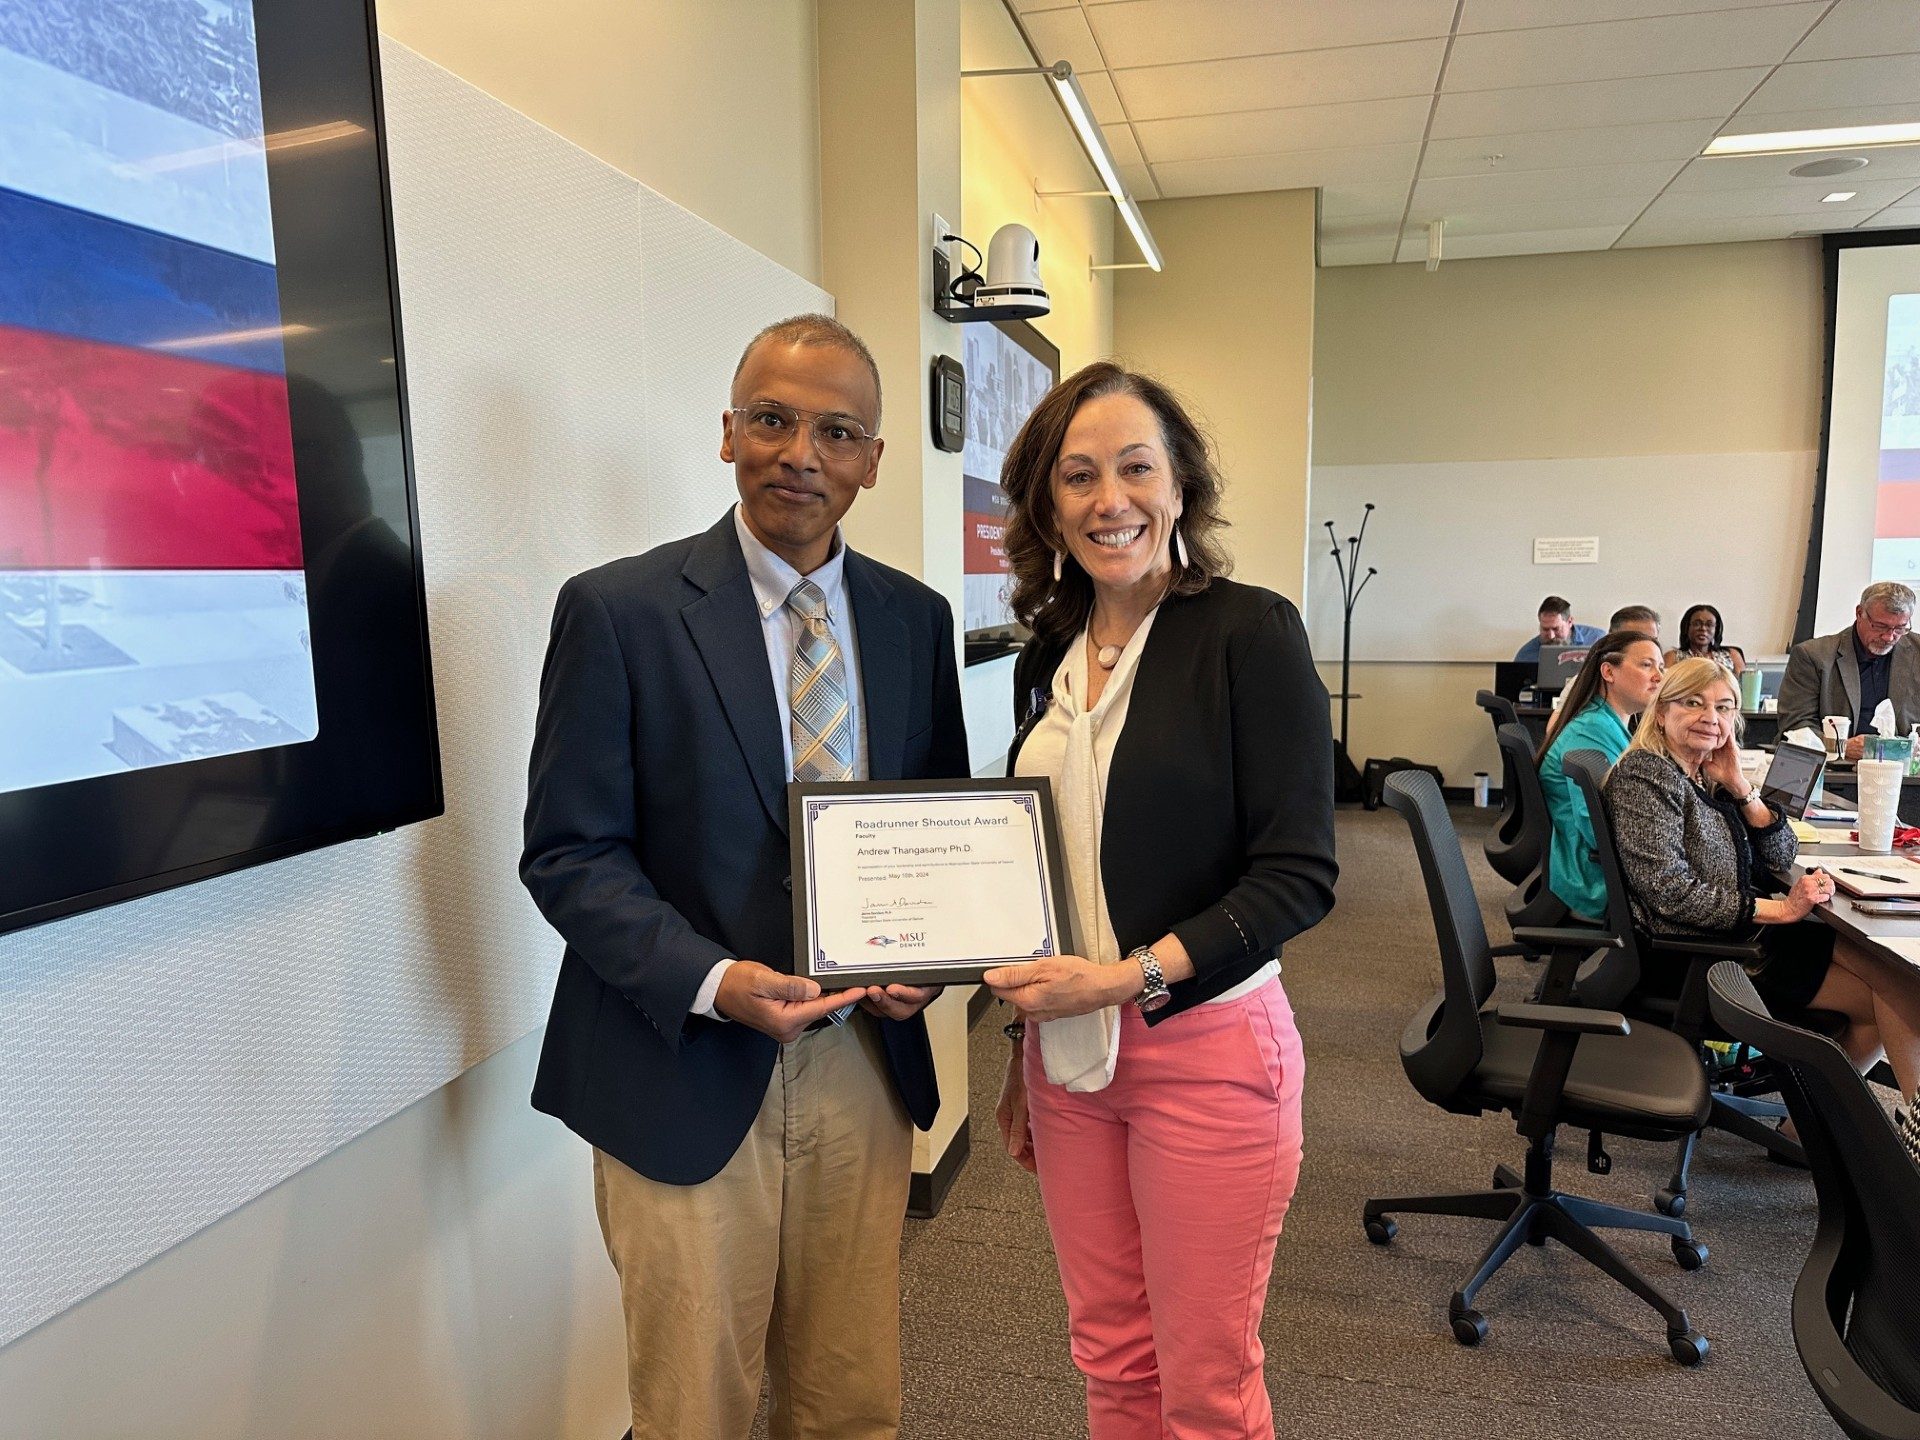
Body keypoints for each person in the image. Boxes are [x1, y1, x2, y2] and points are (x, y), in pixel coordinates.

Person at [519, 315, 969, 1440]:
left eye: (836, 431)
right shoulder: (617, 612)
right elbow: (568, 852)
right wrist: (714, 981)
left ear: (873, 460)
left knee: (848, 1396)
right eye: (771, 419)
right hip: (679, 1061)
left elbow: (939, 830)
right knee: (693, 1408)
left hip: (862, 1065)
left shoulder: (916, 622)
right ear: (727, 434)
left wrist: (932, 960)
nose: (799, 455)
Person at [981, 362, 1337, 1440]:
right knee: (1112, 1357)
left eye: (1136, 468)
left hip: (1209, 1051)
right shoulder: (1046, 653)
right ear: (1048, 505)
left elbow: (1300, 874)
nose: (1109, 499)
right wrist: (1022, 1043)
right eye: (1077, 476)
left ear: (1180, 487)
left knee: (1206, 1381)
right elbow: (1058, 866)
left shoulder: (1249, 634)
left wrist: (1131, 977)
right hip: (1068, 1060)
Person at [1607, 658, 1920, 1102]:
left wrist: (1742, 788)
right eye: (1692, 703)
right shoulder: (1647, 774)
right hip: (1700, 955)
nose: (1710, 718)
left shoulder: (1704, 772)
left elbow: (1782, 852)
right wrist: (1782, 909)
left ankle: (1810, 1130)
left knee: (1901, 982)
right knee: (1895, 1000)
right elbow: (1668, 892)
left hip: (1742, 936)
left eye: (1723, 707)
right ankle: (1847, 1131)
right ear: (1661, 711)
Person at [1534, 628, 1666, 922]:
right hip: (1594, 877)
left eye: (1661, 667)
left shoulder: (1605, 722)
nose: (1659, 676)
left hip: (1593, 865)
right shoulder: (1591, 731)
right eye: (1647, 665)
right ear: (1609, 671)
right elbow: (1597, 830)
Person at [1776, 580, 1920, 761]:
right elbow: (1795, 726)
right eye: (1880, 626)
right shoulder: (1813, 656)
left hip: (1907, 773)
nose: (1889, 637)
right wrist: (1842, 747)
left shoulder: (1917, 652)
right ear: (1860, 613)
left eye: (1900, 628)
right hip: (1836, 771)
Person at [1513, 593, 1604, 663]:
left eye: (1556, 629)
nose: (1551, 636)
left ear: (1570, 622)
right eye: (1545, 629)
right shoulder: (1526, 655)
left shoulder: (1598, 640)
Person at [1665, 602, 1745, 676]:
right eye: (1697, 624)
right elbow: (1664, 688)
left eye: (1709, 625)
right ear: (1687, 627)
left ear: (1716, 630)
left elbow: (1746, 687)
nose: (1703, 628)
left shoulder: (1732, 655)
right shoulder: (1673, 657)